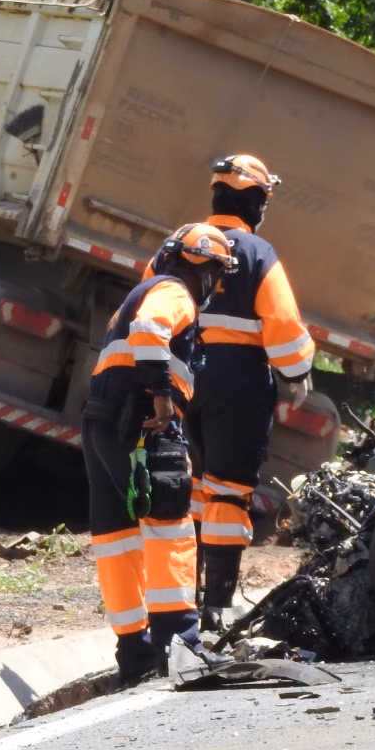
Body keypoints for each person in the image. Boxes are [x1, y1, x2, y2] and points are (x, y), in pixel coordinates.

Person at [84, 223, 236, 686]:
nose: (217, 285)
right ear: (202, 265)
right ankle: (181, 645)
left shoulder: (143, 290)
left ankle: (134, 653)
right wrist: (163, 396)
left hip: (103, 420)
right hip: (142, 420)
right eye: (217, 272)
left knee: (118, 538)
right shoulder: (174, 293)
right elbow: (151, 333)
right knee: (169, 526)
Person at [190, 154, 315, 630]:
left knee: (193, 490)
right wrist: (298, 371)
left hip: (180, 378)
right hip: (237, 383)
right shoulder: (258, 253)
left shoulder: (177, 245)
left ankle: (181, 598)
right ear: (258, 202)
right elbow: (283, 327)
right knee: (226, 493)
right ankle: (219, 604)